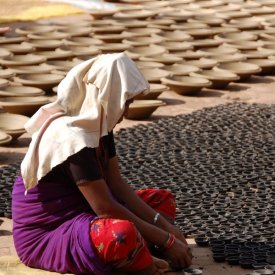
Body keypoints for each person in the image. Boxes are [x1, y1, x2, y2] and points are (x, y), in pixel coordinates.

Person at [12, 53, 192, 275]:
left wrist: (166, 228)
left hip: (87, 212)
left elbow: (117, 184)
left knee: (162, 201)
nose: (126, 112)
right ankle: (136, 256)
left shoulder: (99, 127)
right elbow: (105, 208)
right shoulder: (72, 138)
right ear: (107, 97)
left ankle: (136, 253)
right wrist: (165, 241)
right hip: (49, 234)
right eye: (124, 103)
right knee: (121, 234)